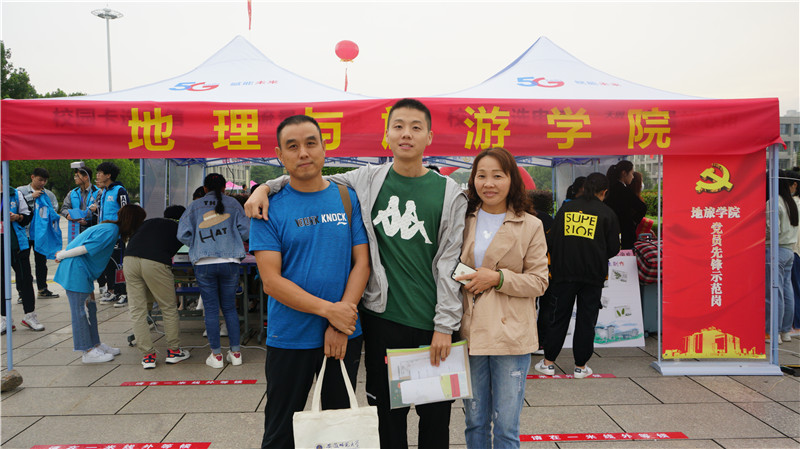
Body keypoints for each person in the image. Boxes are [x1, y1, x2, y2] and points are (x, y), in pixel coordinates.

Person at [248, 98, 467, 449]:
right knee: (381, 422)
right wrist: (263, 187)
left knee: (434, 420)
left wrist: (445, 325)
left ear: (429, 136)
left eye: (415, 127)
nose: (406, 134)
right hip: (377, 321)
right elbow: (306, 174)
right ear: (387, 135)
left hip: (427, 325)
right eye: (398, 126)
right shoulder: (365, 180)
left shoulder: (447, 193)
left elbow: (446, 262)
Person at [251, 115, 370, 448]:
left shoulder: (347, 197)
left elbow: (362, 263)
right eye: (292, 146)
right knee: (280, 431)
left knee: (337, 432)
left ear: (324, 147)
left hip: (343, 335)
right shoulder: (268, 208)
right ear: (280, 155)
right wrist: (331, 312)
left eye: (310, 143)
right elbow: (271, 282)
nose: (303, 152)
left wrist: (341, 321)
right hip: (290, 336)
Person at [455, 148, 549, 449]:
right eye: (481, 175)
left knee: (507, 426)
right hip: (471, 331)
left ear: (512, 180)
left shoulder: (530, 224)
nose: (489, 183)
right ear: (473, 180)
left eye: (498, 176)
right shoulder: (462, 219)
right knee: (475, 421)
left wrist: (498, 278)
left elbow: (539, 281)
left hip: (511, 334)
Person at [536, 172, 620, 379]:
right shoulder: (607, 213)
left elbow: (551, 241)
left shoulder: (566, 209)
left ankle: (548, 363)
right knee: (586, 320)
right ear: (604, 191)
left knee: (558, 317)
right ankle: (581, 367)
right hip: (593, 276)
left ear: (584, 187)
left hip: (563, 273)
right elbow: (614, 248)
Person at [54, 204, 146, 363]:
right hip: (76, 270)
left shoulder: (111, 229)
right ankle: (87, 351)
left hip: (83, 271)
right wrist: (62, 255)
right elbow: (85, 248)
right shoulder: (111, 231)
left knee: (90, 308)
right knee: (81, 311)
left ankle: (95, 344)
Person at [178, 173, 249, 368]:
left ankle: (216, 356)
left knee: (211, 309)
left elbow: (182, 234)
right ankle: (236, 353)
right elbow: (246, 231)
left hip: (204, 262)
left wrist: (198, 243)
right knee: (230, 308)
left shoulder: (194, 206)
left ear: (205, 189)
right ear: (225, 188)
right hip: (230, 260)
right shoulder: (234, 204)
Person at [123, 205, 191, 369]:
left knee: (137, 310)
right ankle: (174, 352)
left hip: (129, 260)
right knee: (168, 307)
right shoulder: (181, 228)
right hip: (156, 262)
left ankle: (148, 356)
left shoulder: (150, 222)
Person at [17, 167, 60, 299]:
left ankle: (42, 289)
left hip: (40, 234)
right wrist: (31, 197)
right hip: (24, 232)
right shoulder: (20, 191)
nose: (42, 183)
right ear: (32, 177)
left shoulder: (48, 194)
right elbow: (15, 205)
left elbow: (54, 209)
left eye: (45, 181)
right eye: (40, 180)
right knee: (23, 264)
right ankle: (22, 293)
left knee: (41, 262)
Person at [766, 170, 798, 343]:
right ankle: (785, 331)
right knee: (787, 291)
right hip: (789, 250)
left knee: (773, 292)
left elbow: (772, 230)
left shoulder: (773, 203)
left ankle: (774, 332)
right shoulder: (791, 202)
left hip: (775, 250)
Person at [2, 182, 38, 333]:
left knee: (25, 279)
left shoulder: (15, 194)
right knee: (1, 282)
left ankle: (30, 315)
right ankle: (5, 319)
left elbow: (28, 216)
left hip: (16, 244)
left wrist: (17, 217)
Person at [93, 161, 130, 307]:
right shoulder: (104, 191)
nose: (97, 176)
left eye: (100, 173)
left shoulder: (120, 191)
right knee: (108, 263)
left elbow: (126, 212)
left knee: (118, 264)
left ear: (108, 175)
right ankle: (112, 290)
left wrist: (122, 231)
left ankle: (124, 293)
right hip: (104, 235)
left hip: (116, 235)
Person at [604, 161, 646, 249]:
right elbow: (642, 207)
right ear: (624, 173)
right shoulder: (624, 190)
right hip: (625, 232)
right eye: (631, 173)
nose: (633, 177)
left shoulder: (608, 188)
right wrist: (633, 221)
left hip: (609, 230)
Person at [60, 164, 99, 238]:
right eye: (75, 176)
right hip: (75, 231)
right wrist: (68, 215)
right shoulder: (72, 193)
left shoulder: (98, 192)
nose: (75, 178)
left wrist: (86, 220)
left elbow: (99, 211)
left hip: (92, 231)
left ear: (86, 177)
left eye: (77, 176)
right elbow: (64, 208)